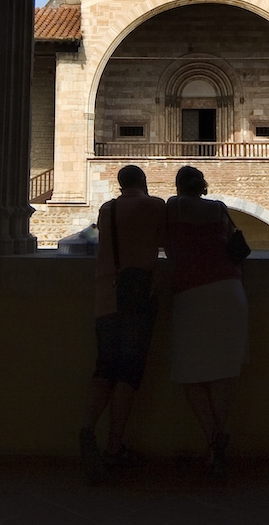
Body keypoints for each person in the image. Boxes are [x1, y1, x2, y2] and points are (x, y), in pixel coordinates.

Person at [80, 164, 166, 484]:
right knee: (129, 373)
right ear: (143, 182)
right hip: (138, 300)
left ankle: (87, 427)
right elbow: (165, 243)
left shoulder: (107, 210)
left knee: (104, 368)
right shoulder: (155, 206)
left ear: (119, 185)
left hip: (106, 297)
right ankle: (114, 445)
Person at [165, 165, 248, 481]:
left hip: (193, 293)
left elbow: (170, 249)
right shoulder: (219, 209)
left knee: (190, 374)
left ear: (179, 186)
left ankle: (213, 438)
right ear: (203, 185)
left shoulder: (175, 206)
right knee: (222, 374)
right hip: (229, 291)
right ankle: (216, 444)